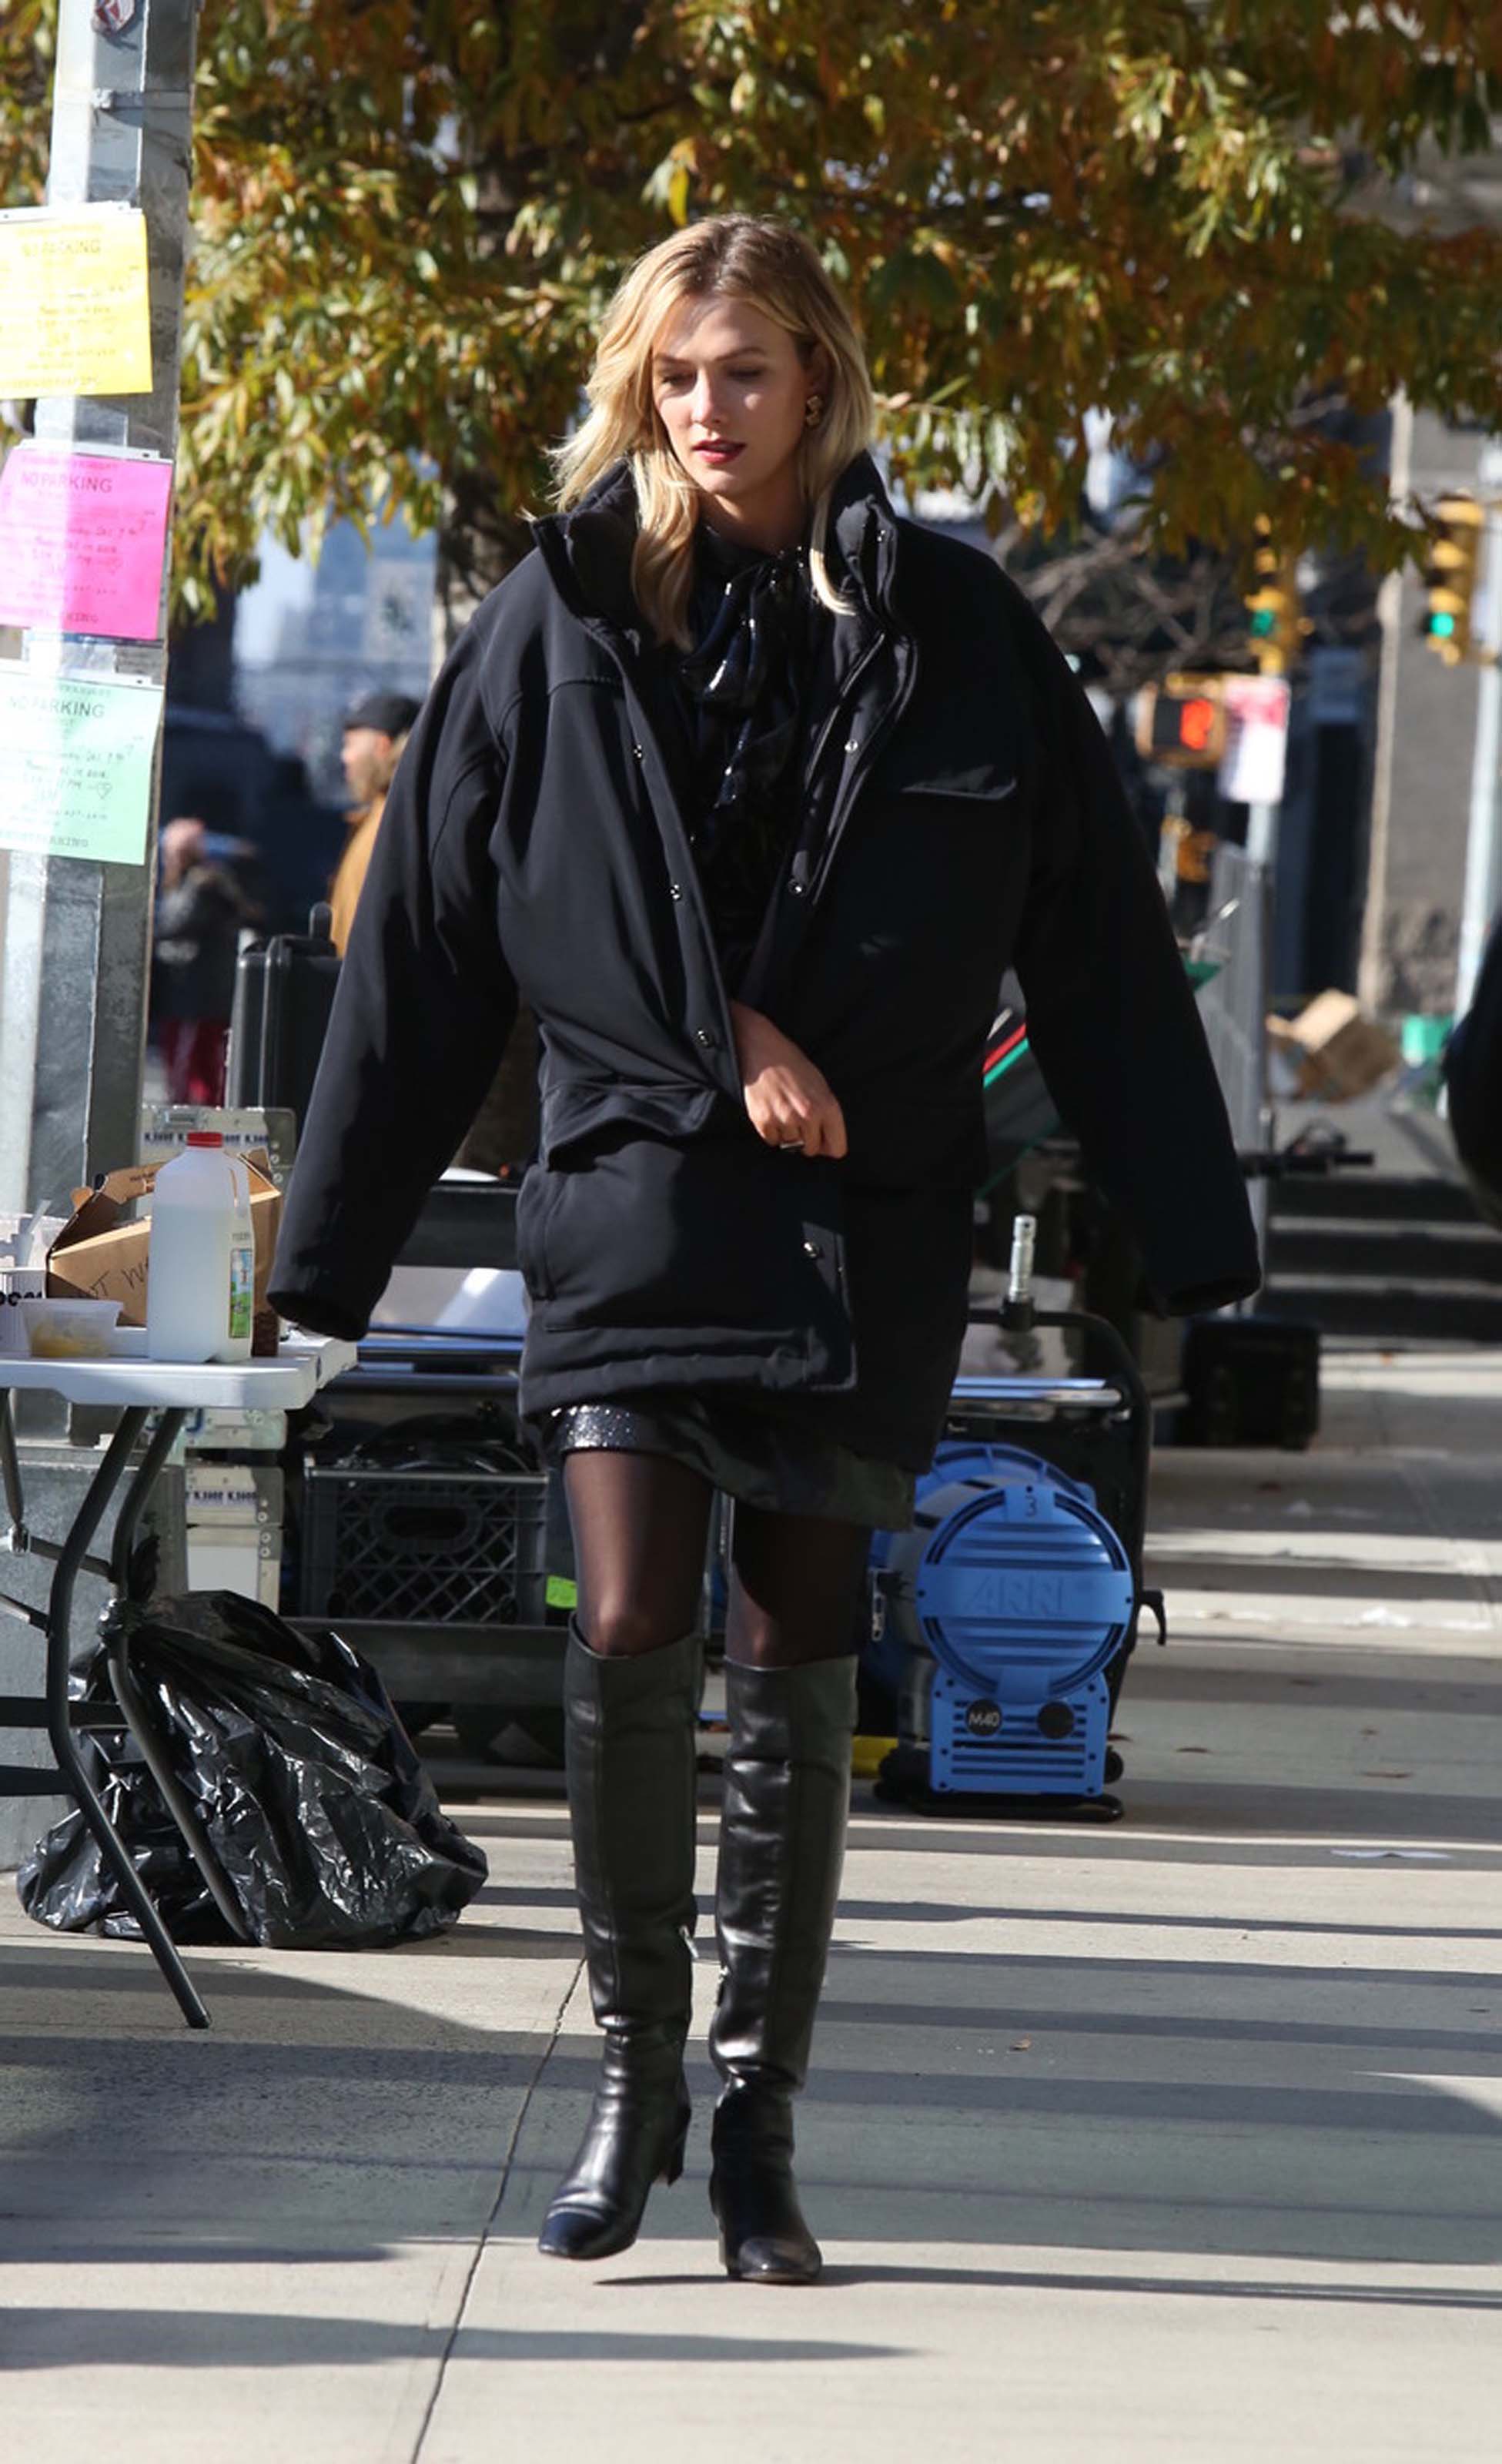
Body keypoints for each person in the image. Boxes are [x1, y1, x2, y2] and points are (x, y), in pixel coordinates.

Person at [269, 215, 1259, 2283]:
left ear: (818, 379)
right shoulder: (549, 619)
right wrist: (324, 1269)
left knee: (793, 1653)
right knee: (628, 1621)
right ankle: (628, 2087)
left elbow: (1088, 947)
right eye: (673, 374)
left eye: (742, 371)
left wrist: (1194, 1242)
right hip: (631, 1186)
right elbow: (438, 945)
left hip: (858, 1222)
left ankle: (756, 2126)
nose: (704, 411)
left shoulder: (960, 627)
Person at [150, 815, 254, 1104]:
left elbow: (174, 924)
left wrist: (148, 928)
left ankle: (186, 1129)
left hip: (194, 996)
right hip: (201, 994)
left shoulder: (201, 884)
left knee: (190, 1068)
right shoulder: (206, 882)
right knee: (206, 1067)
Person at [327, 689, 420, 953]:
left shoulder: (397, 824)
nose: (344, 757)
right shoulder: (377, 818)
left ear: (382, 745)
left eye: (350, 744)